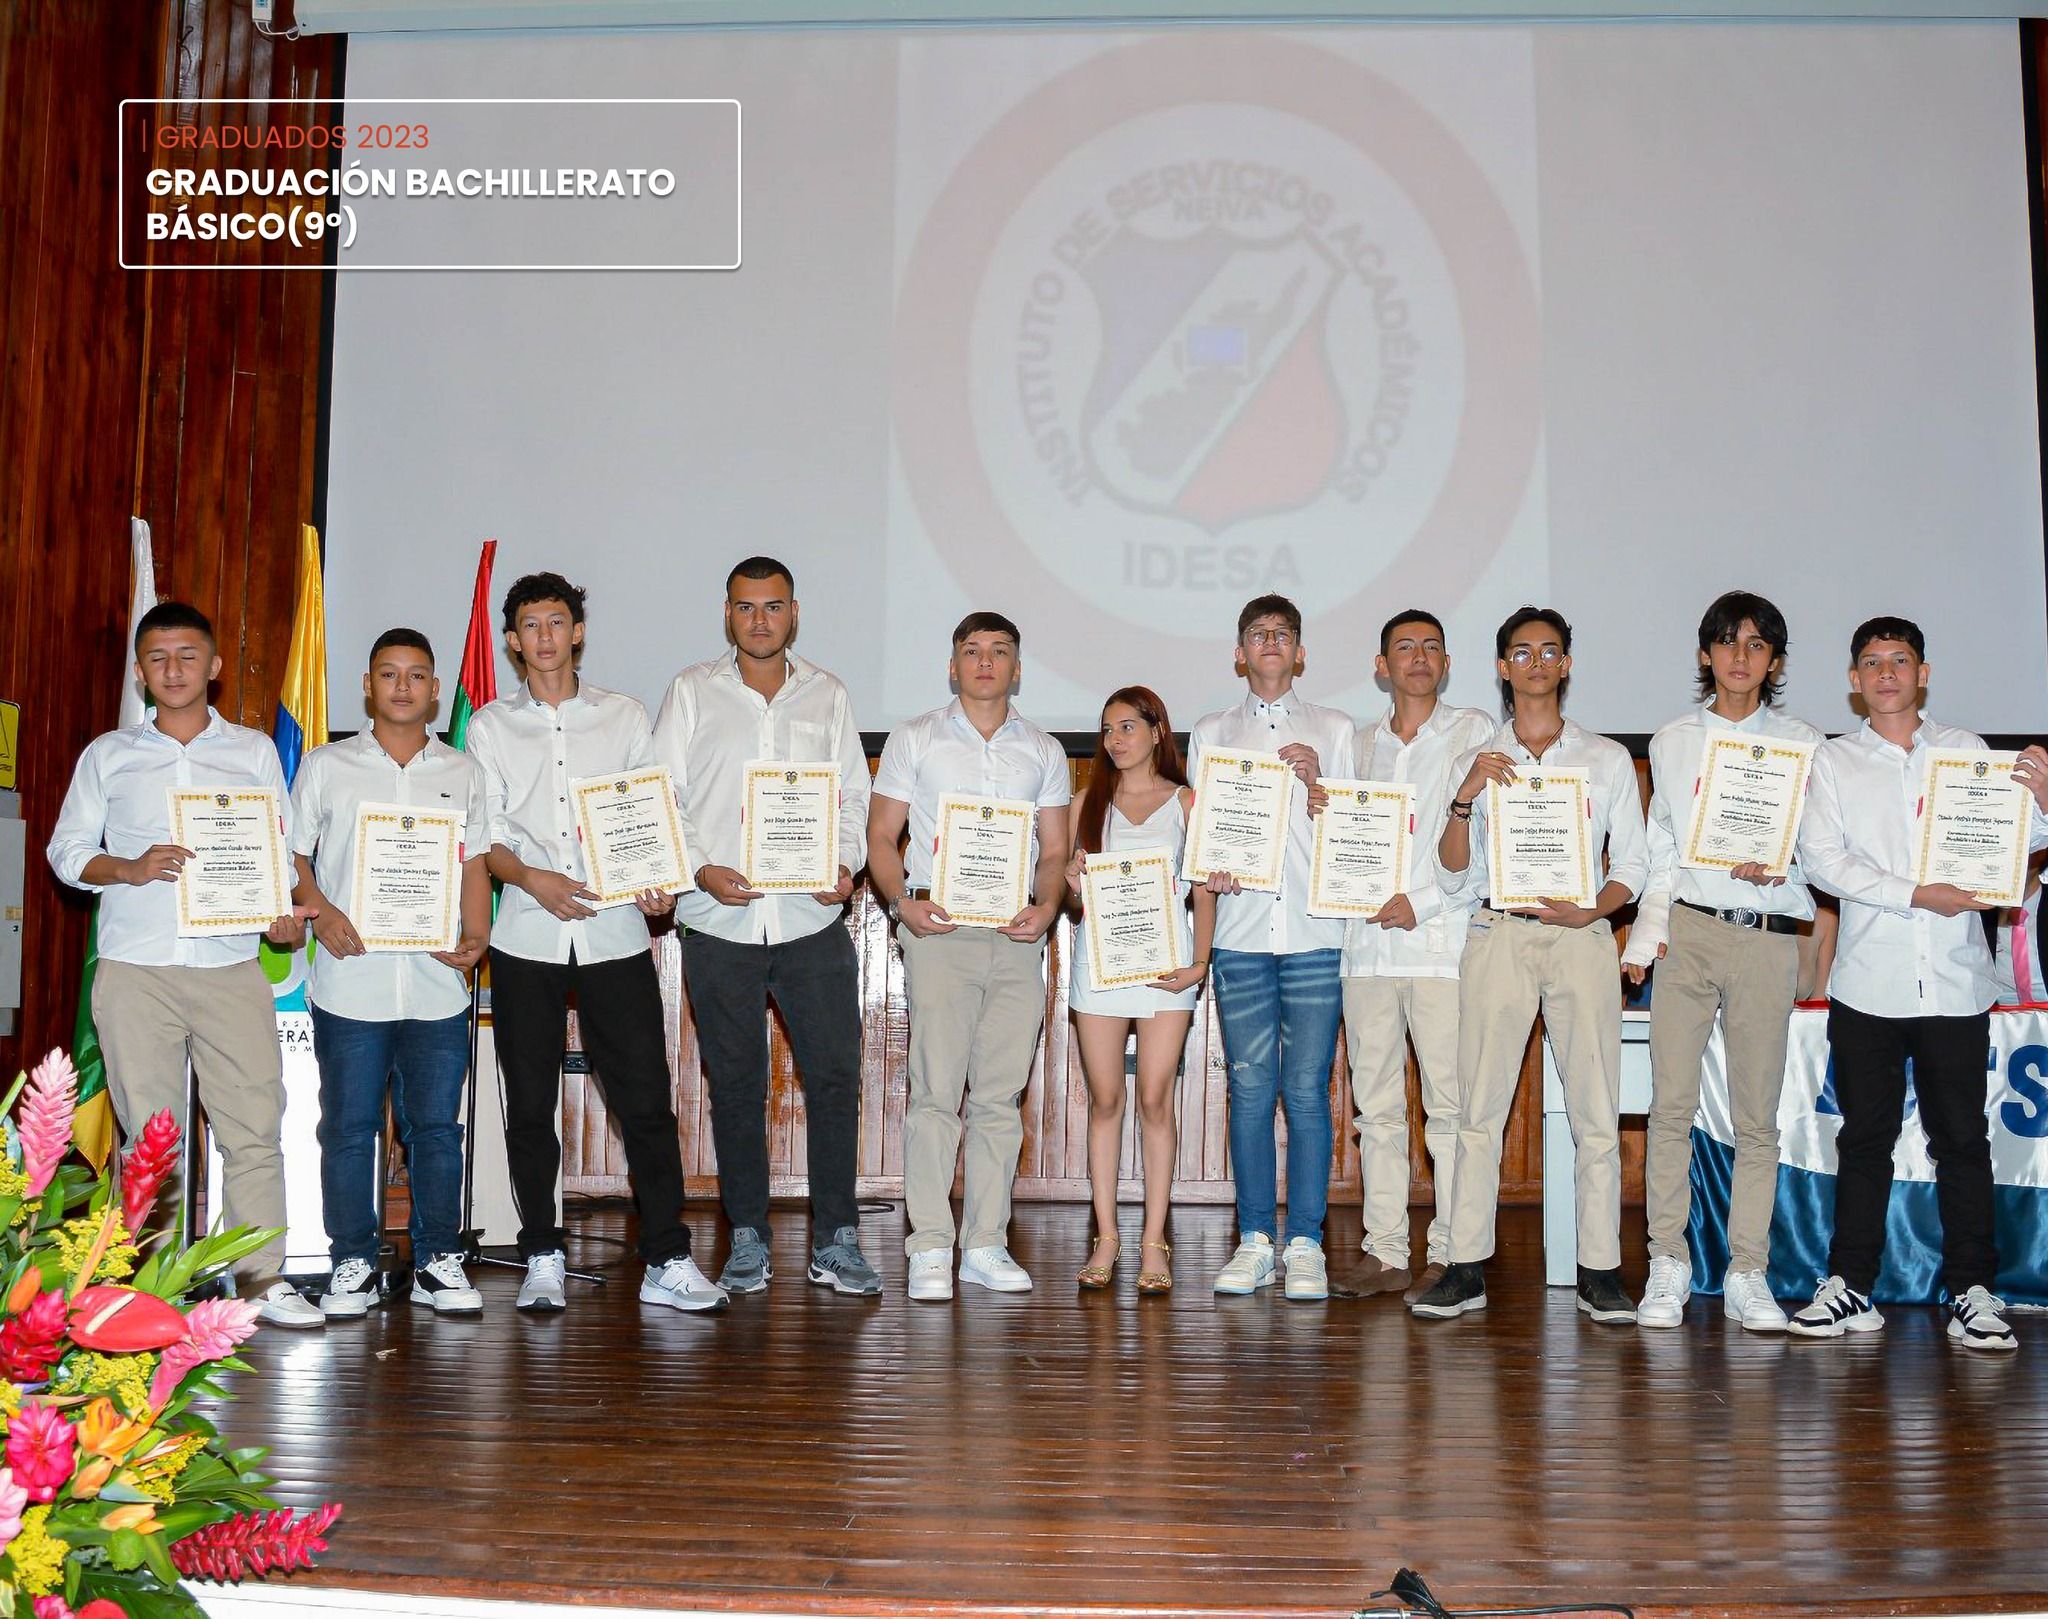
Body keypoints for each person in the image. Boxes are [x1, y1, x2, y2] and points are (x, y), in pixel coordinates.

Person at [47, 601, 320, 1328]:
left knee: (255, 1127)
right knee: (151, 1140)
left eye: (188, 656)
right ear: (140, 672)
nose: (174, 670)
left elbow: (275, 849)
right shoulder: (108, 754)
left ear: (215, 667)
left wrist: (281, 913)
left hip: (231, 964)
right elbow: (66, 854)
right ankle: (147, 1291)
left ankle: (260, 1281)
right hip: (137, 968)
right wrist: (129, 867)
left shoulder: (255, 751)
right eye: (159, 658)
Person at [465, 572, 726, 1314]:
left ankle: (667, 1258)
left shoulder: (625, 716)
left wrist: (658, 882)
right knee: (529, 1102)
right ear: (513, 641)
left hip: (615, 930)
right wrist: (532, 879)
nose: (545, 636)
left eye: (558, 622)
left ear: (578, 631)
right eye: (530, 625)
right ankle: (542, 1250)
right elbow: (487, 836)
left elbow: (654, 810)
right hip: (524, 930)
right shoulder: (488, 726)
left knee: (645, 1099)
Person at [1791, 616, 2048, 1350]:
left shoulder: (1967, 754)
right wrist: (1916, 892)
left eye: (1898, 661)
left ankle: (1974, 1289)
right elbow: (1823, 861)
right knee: (1865, 1139)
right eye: (1871, 663)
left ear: (1923, 672)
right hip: (1868, 983)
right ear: (1853, 680)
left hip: (1957, 983)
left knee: (1962, 1140)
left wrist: (2045, 803)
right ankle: (1851, 1284)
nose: (1885, 674)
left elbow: (2016, 840)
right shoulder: (1834, 763)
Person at [1411, 606, 1648, 1325]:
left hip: (1581, 937)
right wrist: (1464, 798)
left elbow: (1633, 863)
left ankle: (1600, 1270)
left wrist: (1594, 910)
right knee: (1478, 1107)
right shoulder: (1476, 760)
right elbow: (1451, 875)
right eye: (1522, 651)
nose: (1537, 662)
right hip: (1498, 933)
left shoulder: (1604, 758)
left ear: (1567, 664)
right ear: (1503, 667)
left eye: (1550, 651)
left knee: (1596, 1110)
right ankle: (1464, 1265)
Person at [652, 557, 878, 1297]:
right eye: (746, 607)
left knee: (836, 1080)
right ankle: (746, 1236)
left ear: (793, 612)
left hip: (811, 920)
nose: (759, 620)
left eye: (772, 606)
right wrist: (700, 868)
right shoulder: (691, 692)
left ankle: (836, 1240)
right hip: (720, 919)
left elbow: (852, 797)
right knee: (737, 1087)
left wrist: (842, 865)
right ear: (728, 613)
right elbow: (663, 800)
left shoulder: (829, 695)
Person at [1621, 592, 1823, 1333]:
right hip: (1690, 932)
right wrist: (1644, 943)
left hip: (1769, 937)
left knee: (1756, 1118)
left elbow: (1821, 850)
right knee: (1669, 1107)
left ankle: (1748, 1270)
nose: (1742, 656)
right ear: (1706, 654)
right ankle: (1667, 1262)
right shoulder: (1672, 740)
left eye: (1759, 644)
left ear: (1775, 661)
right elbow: (1661, 852)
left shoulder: (1805, 743)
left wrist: (1786, 874)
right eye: (1729, 642)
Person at [289, 629, 493, 1317]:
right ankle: (352, 1260)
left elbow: (473, 862)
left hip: (436, 984)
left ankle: (439, 1258)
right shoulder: (326, 765)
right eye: (388, 674)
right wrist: (319, 909)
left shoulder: (463, 772)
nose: (402, 686)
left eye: (416, 675)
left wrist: (478, 933)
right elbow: (291, 852)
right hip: (351, 980)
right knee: (348, 1126)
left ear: (436, 690)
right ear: (368, 686)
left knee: (436, 1127)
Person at [867, 612, 1071, 1301]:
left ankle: (984, 1241)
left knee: (998, 1095)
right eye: (972, 651)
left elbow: (1052, 851)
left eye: (1000, 652)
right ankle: (929, 1244)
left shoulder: (1042, 750)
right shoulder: (915, 737)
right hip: (940, 928)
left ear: (1018, 668)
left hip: (1015, 934)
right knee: (934, 1092)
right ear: (952, 665)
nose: (986, 662)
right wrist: (903, 904)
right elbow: (880, 836)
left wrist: (1045, 908)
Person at [1190, 595, 1356, 1301]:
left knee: (1309, 1092)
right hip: (1241, 933)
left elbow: (1356, 839)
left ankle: (1308, 1242)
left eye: (1281, 634)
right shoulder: (1210, 731)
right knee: (1252, 1088)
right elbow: (1203, 840)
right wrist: (1212, 865)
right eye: (1256, 634)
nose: (1269, 643)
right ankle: (1256, 1238)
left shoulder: (1337, 728)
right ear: (1239, 651)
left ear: (1299, 653)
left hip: (1316, 932)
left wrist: (1325, 787)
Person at [1337, 611, 1492, 1303]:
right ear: (1382, 665)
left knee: (1450, 1109)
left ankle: (1454, 1253)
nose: (1418, 657)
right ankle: (1385, 1251)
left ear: (1448, 661)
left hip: (1441, 945)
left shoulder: (1474, 733)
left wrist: (1421, 901)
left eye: (1431, 646)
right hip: (1365, 949)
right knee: (1376, 1110)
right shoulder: (1357, 743)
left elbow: (1488, 845)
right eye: (1404, 646)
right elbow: (1340, 837)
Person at [1062, 687, 1215, 1294]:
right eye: (1107, 729)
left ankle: (1155, 1239)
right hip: (1099, 967)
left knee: (1154, 1100)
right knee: (1105, 1102)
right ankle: (1106, 1235)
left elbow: (1203, 891)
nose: (1115, 739)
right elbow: (1076, 898)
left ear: (1157, 731)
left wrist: (1199, 963)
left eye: (1128, 726)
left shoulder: (1187, 802)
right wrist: (1073, 884)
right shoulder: (1085, 802)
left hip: (1167, 969)